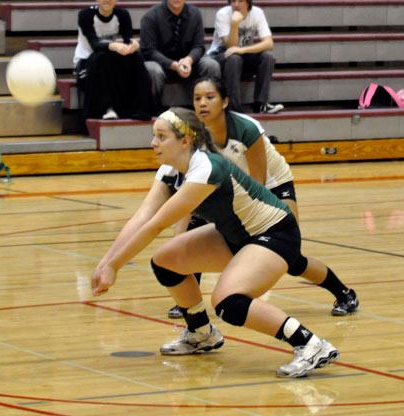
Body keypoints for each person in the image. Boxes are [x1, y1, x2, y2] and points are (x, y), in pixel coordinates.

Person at [92, 107, 341, 378]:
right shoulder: (170, 171)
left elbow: (156, 224)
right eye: (154, 136)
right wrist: (105, 262)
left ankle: (310, 344)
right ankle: (201, 334)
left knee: (228, 301)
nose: (153, 143)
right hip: (235, 236)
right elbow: (142, 216)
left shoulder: (205, 168)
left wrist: (115, 266)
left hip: (275, 233)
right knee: (165, 262)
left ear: (185, 140)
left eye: (161, 136)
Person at [167, 77, 359, 319]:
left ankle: (344, 293)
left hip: (271, 186)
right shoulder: (194, 138)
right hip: (235, 189)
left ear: (225, 101)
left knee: (290, 256)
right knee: (195, 227)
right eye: (197, 98)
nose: (203, 103)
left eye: (210, 97)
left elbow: (257, 183)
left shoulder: (246, 128)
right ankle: (189, 300)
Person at [73, 0, 155, 131]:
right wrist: (113, 45)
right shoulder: (86, 14)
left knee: (136, 57)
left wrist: (133, 46)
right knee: (101, 57)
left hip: (109, 61)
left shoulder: (122, 14)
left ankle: (142, 108)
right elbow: (94, 45)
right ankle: (107, 108)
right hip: (86, 63)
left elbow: (128, 40)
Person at [139, 0, 221, 112]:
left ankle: (210, 111)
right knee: (152, 69)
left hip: (189, 64)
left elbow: (199, 46)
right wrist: (173, 65)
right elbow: (149, 51)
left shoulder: (195, 13)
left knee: (211, 65)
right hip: (161, 65)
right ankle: (153, 112)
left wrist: (188, 60)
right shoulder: (150, 17)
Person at [207, 0, 283, 113]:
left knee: (267, 57)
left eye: (241, 1)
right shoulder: (222, 14)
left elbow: (269, 43)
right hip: (220, 55)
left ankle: (261, 104)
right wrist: (234, 24)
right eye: (233, 1)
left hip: (242, 53)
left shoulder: (257, 13)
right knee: (234, 58)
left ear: (248, 2)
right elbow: (230, 47)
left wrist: (243, 50)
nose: (236, 4)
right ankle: (233, 108)